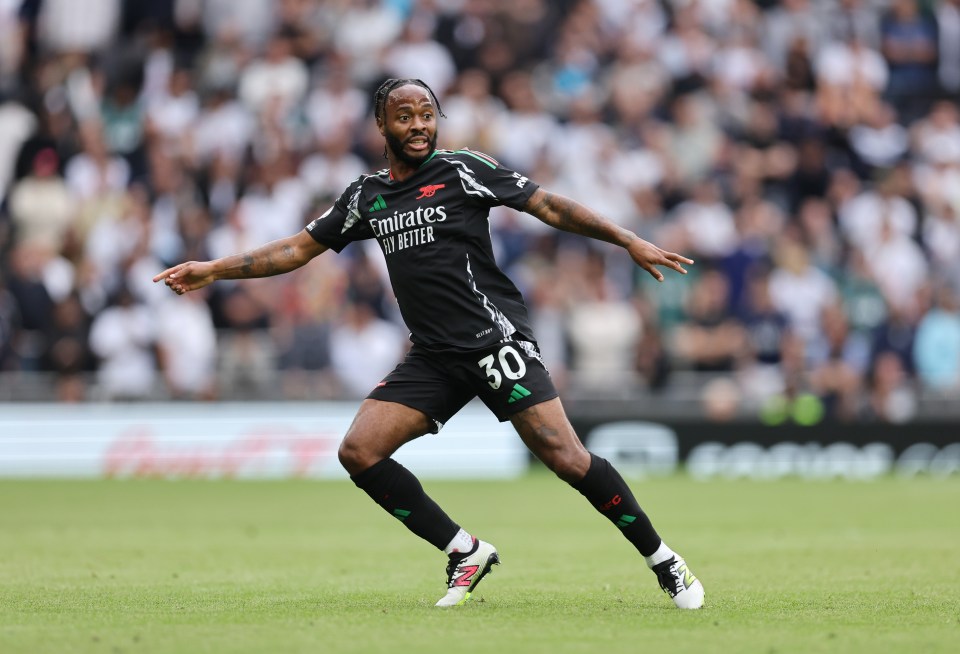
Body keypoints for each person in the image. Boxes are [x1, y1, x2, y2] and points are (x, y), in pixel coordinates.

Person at [154, 78, 704, 609]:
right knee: (359, 452)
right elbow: (296, 250)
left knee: (567, 459)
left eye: (426, 115)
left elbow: (549, 206)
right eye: (405, 116)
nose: (419, 126)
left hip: (495, 341)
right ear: (381, 125)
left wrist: (627, 239)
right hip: (434, 356)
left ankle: (664, 561)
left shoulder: (464, 170)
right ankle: (464, 551)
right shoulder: (366, 196)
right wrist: (216, 270)